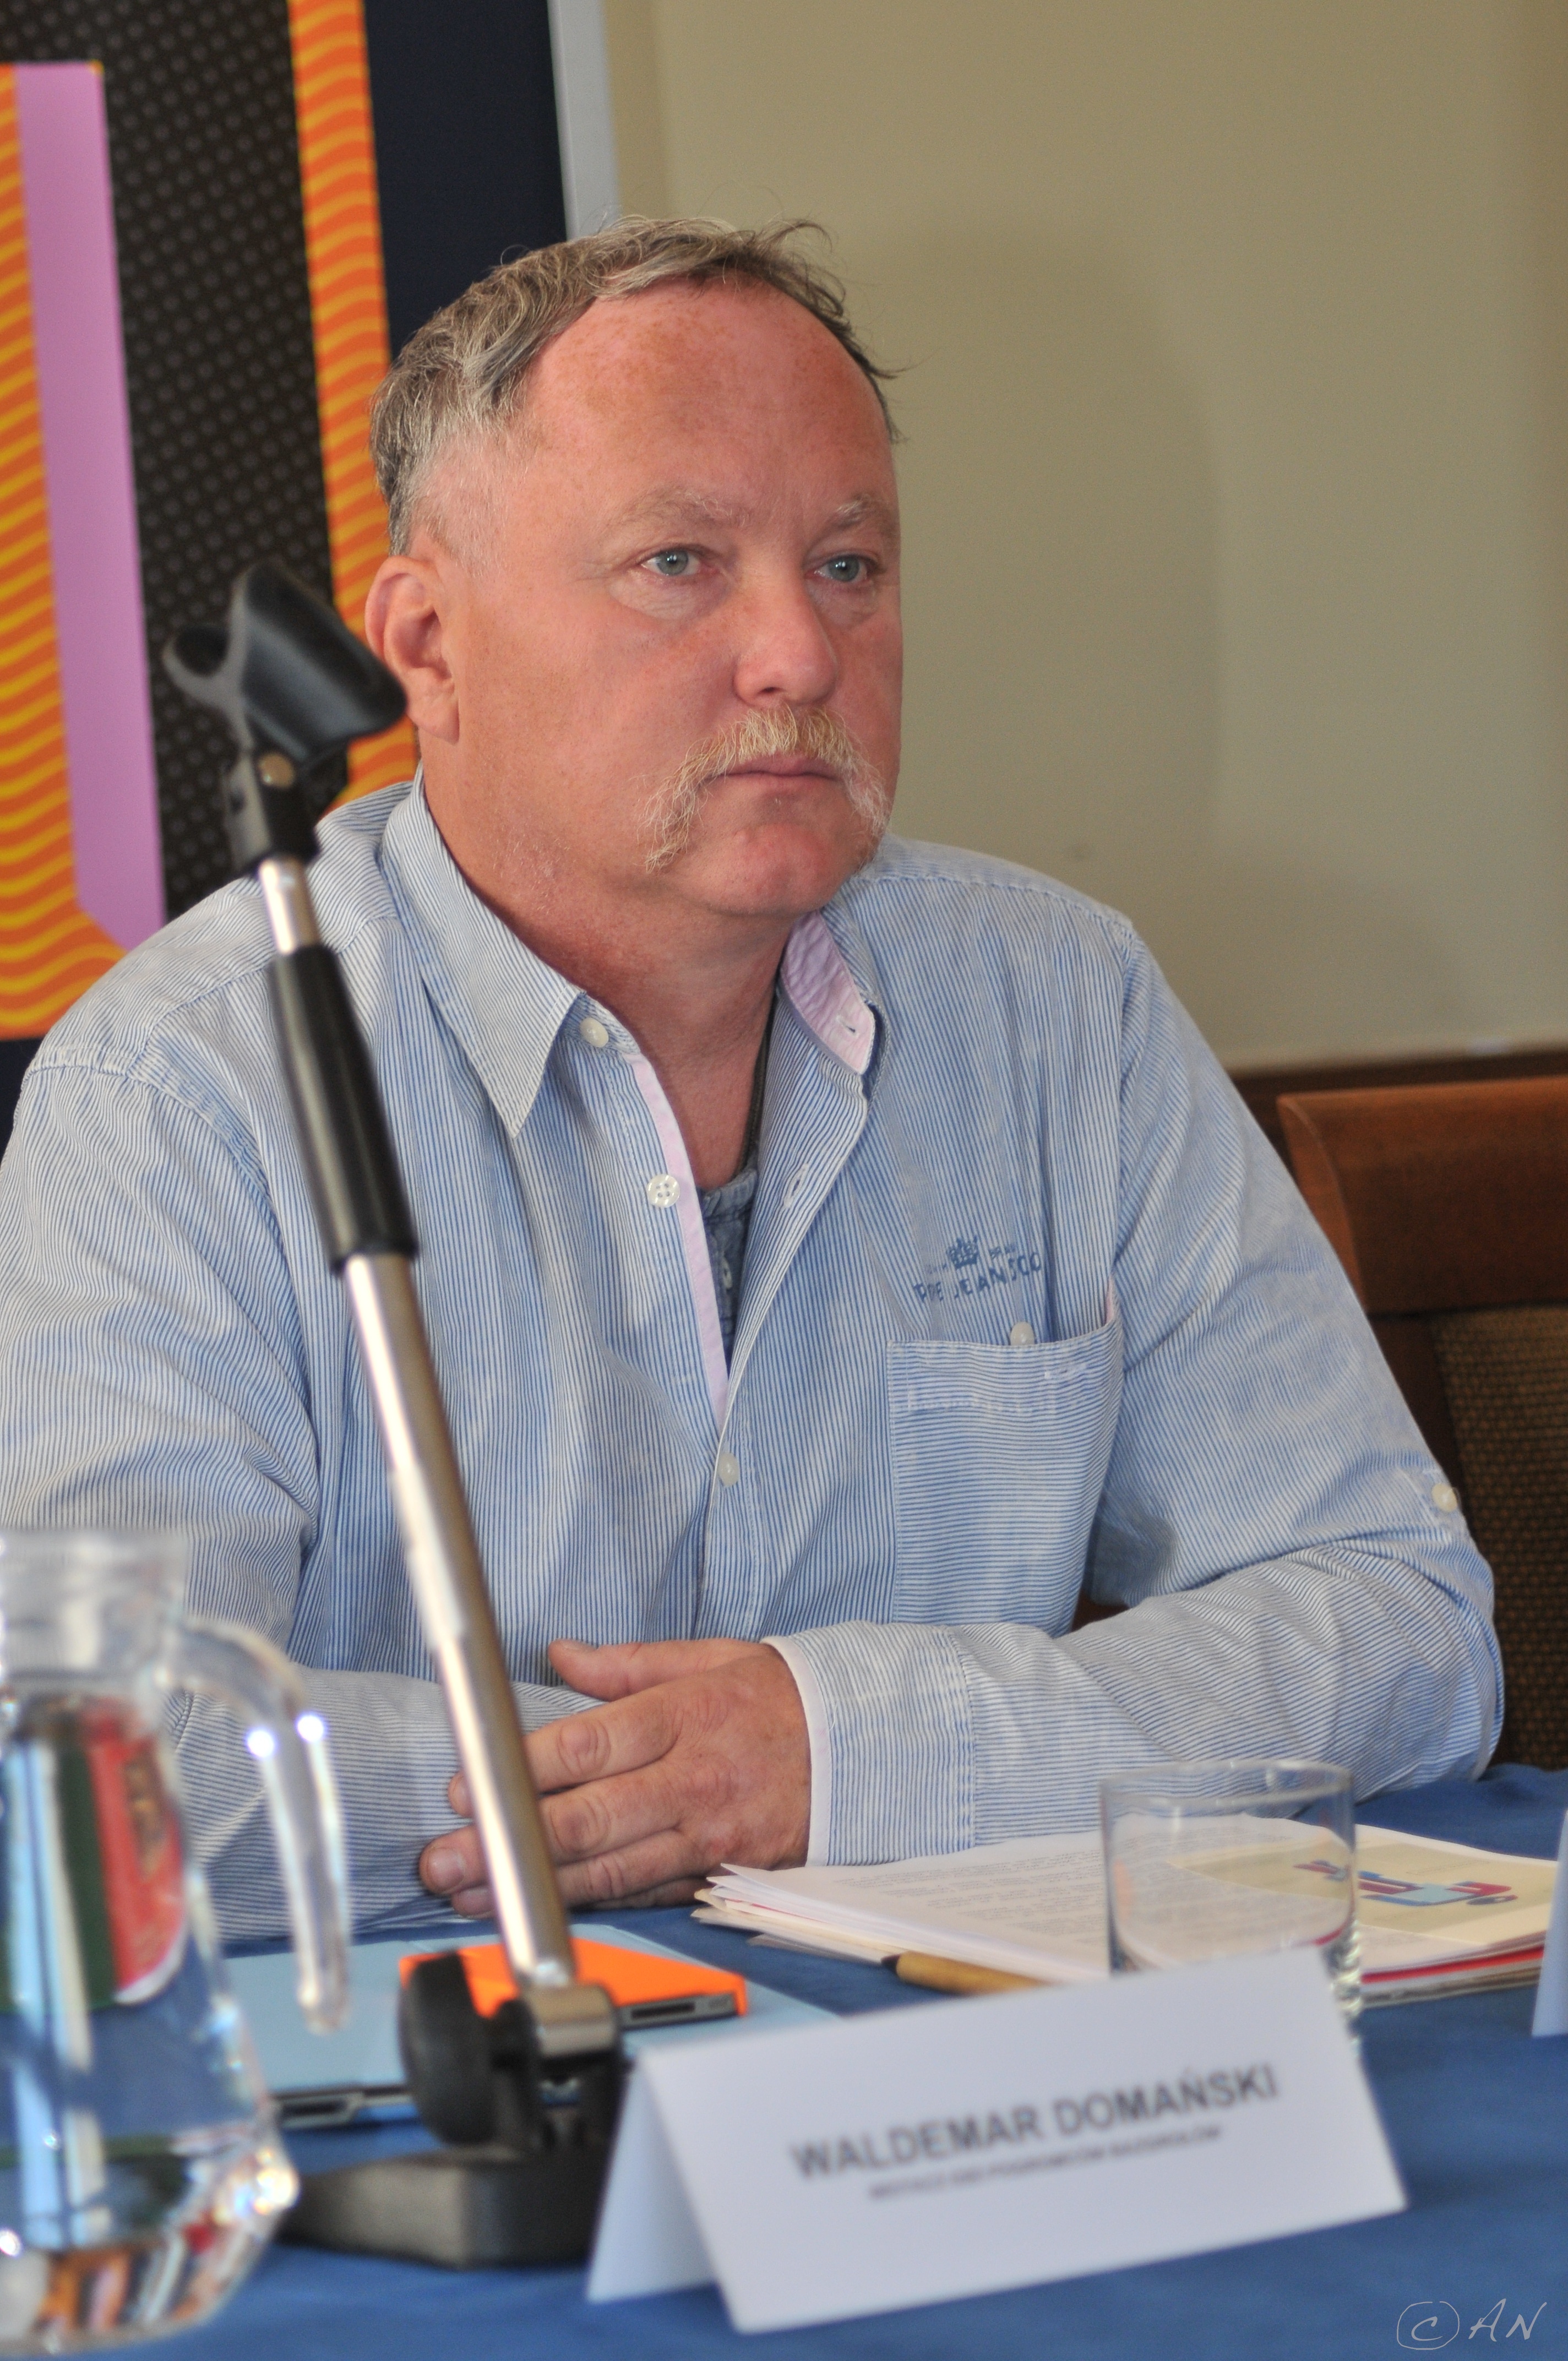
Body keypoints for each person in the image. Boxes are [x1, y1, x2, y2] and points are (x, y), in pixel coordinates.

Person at [0, 221, 1499, 1941]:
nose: (798, 652)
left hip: (973, 2060)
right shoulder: (182, 1089)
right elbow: (87, 1782)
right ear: (427, 644)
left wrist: (850, 1755)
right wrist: (692, 1784)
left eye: (849, 565)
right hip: (453, 2074)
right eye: (680, 563)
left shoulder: (1054, 1006)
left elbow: (1401, 1623)